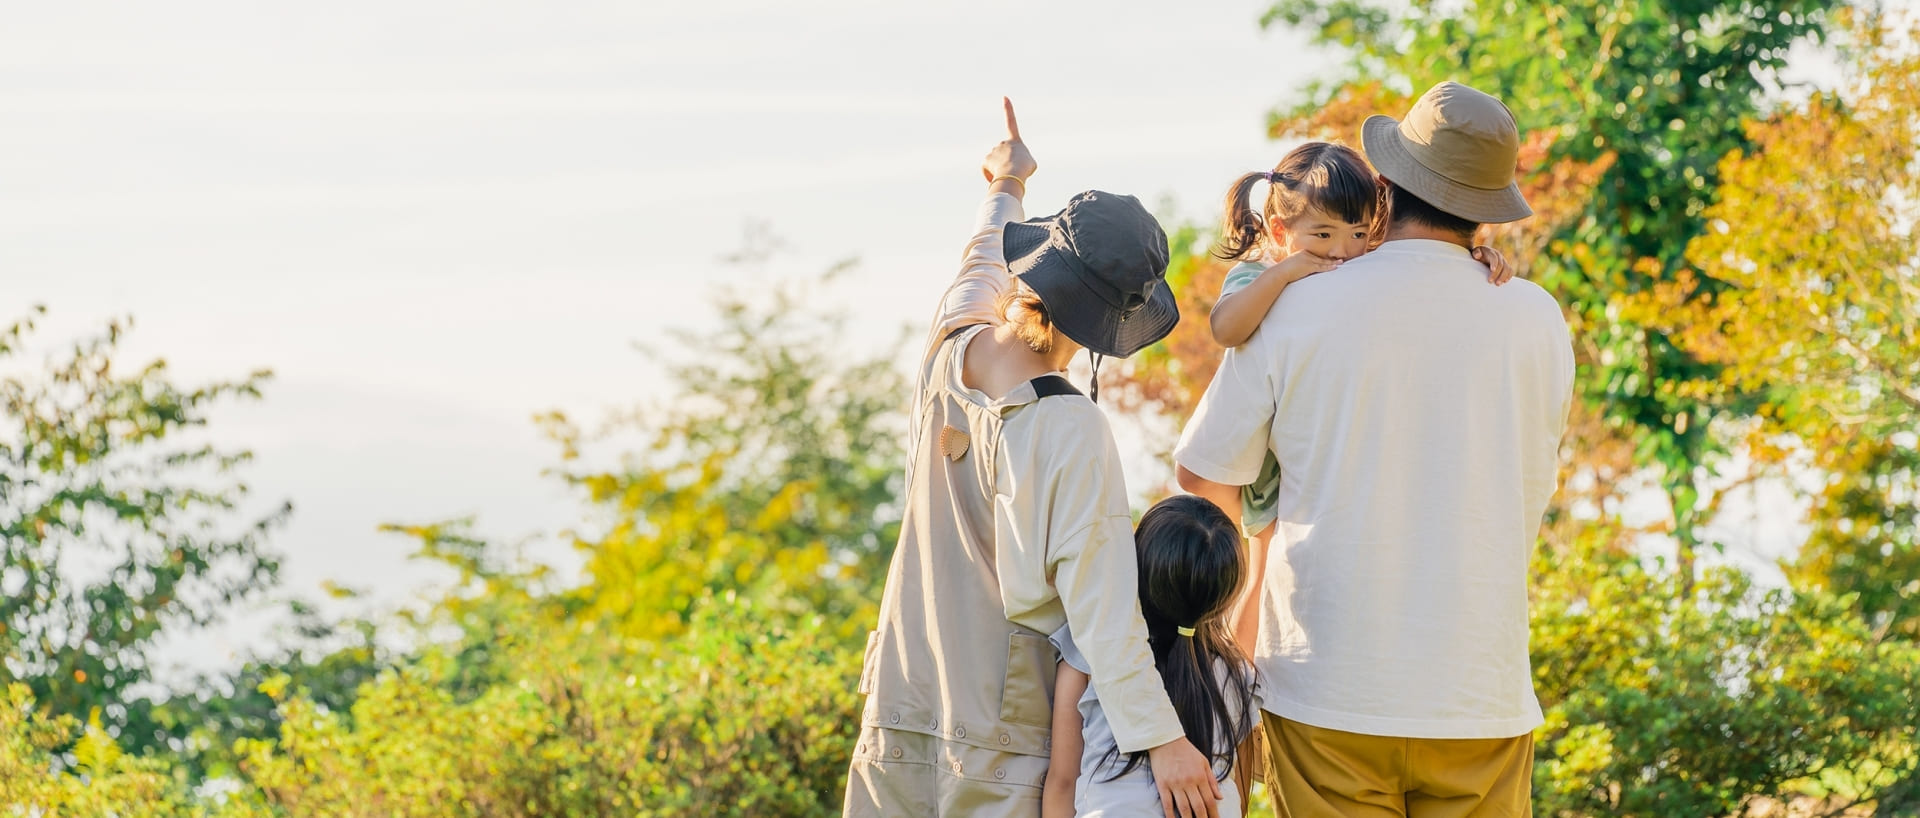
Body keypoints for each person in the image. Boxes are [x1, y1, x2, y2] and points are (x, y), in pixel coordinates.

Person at [1174, 81, 1576, 816]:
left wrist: (1227, 638)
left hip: (1324, 684)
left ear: (1382, 188)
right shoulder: (1538, 317)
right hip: (1478, 692)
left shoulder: (1294, 302)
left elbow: (1205, 477)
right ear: (1488, 206)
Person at [843, 98, 1224, 818]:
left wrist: (1006, 182)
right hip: (1001, 727)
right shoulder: (1071, 429)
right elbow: (1103, 610)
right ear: (1114, 319)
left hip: (898, 702)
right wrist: (1163, 739)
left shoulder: (949, 351)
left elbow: (982, 258)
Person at [1202, 140, 1513, 656]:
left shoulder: (1351, 265)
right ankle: (1236, 671)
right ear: (1281, 232)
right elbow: (1225, 328)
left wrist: (1471, 256)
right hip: (1266, 445)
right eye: (1322, 234)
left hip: (1312, 440)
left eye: (1358, 234)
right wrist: (1285, 273)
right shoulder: (1262, 273)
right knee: (1263, 564)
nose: (1343, 249)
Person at [1041, 495, 1259, 818]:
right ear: (1225, 596)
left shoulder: (1092, 652)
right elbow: (1239, 795)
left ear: (1137, 567)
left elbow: (1062, 781)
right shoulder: (1239, 676)